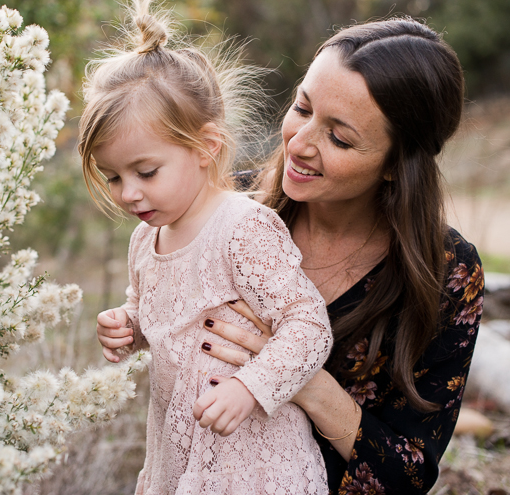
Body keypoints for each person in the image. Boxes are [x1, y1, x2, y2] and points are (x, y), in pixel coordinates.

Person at [198, 18, 484, 494]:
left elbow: (409, 476)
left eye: (340, 138)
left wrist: (299, 377)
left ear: (395, 165)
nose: (299, 143)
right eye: (302, 107)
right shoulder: (227, 207)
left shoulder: (447, 272)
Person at [78, 1, 334, 493]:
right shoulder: (145, 239)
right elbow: (163, 316)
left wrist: (250, 387)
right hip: (182, 452)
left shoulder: (242, 228)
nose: (128, 193)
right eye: (113, 177)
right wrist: (128, 325)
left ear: (205, 147)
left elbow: (308, 326)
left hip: (253, 461)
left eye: (145, 172)